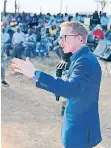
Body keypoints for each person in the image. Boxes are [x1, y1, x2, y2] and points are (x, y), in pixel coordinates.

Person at [12, 21, 102, 148]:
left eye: (64, 37)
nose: (61, 42)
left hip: (79, 128)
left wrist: (35, 74)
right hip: (82, 124)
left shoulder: (84, 61)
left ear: (80, 38)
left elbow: (71, 89)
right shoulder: (83, 58)